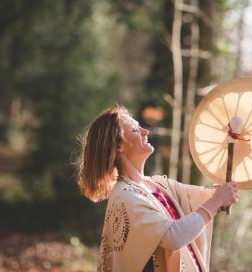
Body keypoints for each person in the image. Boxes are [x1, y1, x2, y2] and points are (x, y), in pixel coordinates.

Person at [76, 105, 239, 272]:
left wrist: (230, 144)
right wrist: (218, 199)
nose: (145, 131)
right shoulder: (126, 197)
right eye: (134, 130)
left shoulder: (159, 186)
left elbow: (208, 197)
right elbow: (174, 237)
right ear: (118, 147)